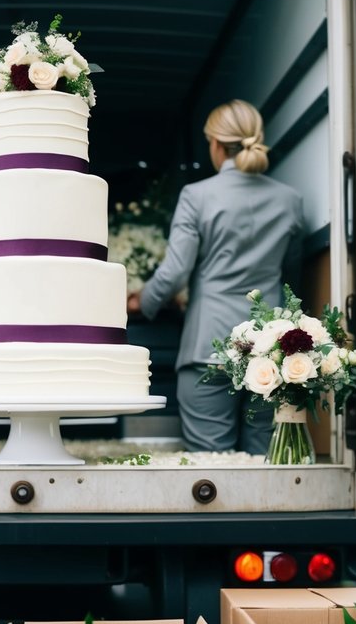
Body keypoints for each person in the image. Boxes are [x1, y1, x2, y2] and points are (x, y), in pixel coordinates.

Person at [128, 99, 303, 453]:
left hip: (209, 347)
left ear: (217, 144)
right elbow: (292, 276)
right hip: (269, 350)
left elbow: (176, 272)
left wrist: (140, 302)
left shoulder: (197, 195)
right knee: (261, 458)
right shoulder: (290, 200)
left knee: (211, 465)